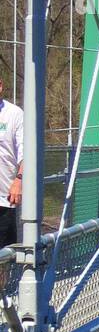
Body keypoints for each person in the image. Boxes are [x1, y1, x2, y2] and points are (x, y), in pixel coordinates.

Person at [0, 75, 24, 248]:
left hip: (4, 199)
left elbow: (26, 152)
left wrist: (19, 179)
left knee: (4, 256)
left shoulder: (14, 114)